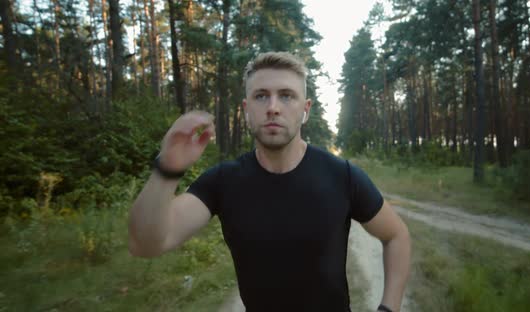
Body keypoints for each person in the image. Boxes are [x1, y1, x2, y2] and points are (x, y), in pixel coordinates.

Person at [128, 52, 411, 312]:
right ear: (246, 108)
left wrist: (389, 308)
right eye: (261, 96)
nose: (273, 107)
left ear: (306, 109)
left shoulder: (342, 176)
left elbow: (396, 235)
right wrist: (167, 170)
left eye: (287, 96)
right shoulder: (223, 181)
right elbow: (146, 245)